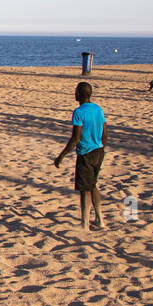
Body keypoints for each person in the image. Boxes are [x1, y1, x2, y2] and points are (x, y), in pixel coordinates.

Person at [53, 81, 106, 230]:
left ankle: (85, 223)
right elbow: (105, 132)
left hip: (86, 153)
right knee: (93, 185)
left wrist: (62, 155)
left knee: (84, 189)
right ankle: (100, 219)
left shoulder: (79, 112)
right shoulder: (98, 109)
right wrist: (102, 148)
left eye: (76, 91)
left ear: (79, 95)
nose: (74, 93)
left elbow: (76, 137)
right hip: (98, 151)